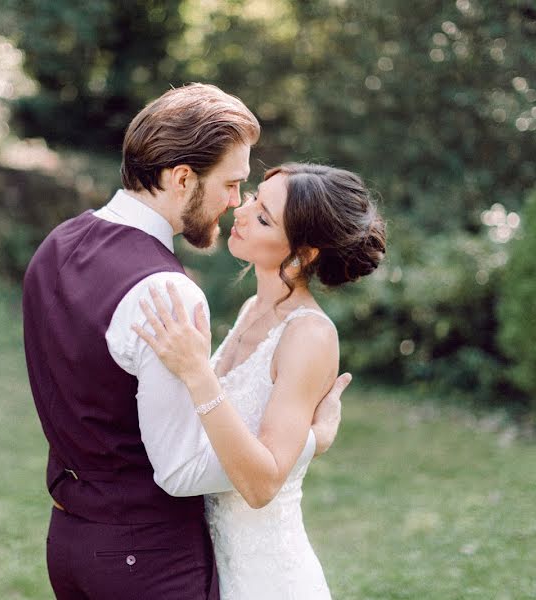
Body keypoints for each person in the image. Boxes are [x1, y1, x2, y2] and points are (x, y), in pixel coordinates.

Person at [21, 84, 351, 600]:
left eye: (256, 203)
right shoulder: (166, 291)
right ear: (181, 178)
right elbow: (181, 469)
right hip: (145, 555)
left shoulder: (58, 244)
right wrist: (311, 440)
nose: (235, 204)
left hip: (70, 541)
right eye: (233, 184)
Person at [134, 163, 386, 599]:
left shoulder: (309, 335)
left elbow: (262, 485)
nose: (242, 211)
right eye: (253, 197)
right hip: (212, 565)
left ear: (304, 254)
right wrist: (313, 441)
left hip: (267, 578)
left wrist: (197, 373)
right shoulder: (254, 307)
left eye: (265, 217)